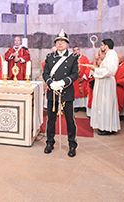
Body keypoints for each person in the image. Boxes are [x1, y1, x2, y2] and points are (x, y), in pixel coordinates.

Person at [42, 29, 79, 157]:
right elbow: (45, 73)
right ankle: (50, 142)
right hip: (52, 91)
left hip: (66, 91)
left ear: (67, 43)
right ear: (56, 43)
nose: (60, 44)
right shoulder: (50, 57)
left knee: (69, 120)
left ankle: (72, 144)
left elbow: (75, 74)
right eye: (58, 41)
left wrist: (63, 82)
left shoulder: (73, 57)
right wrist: (51, 83)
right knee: (51, 119)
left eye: (63, 41)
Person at [88, 39, 120, 135]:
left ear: (106, 46)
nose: (101, 47)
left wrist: (95, 70)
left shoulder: (111, 56)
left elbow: (109, 71)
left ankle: (107, 128)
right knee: (103, 104)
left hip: (107, 83)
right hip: (104, 82)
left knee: (106, 105)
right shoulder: (109, 56)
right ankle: (104, 126)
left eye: (102, 45)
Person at [72, 46, 90, 112]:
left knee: (84, 91)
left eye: (77, 50)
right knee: (76, 93)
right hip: (75, 80)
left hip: (83, 79)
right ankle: (76, 106)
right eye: (74, 50)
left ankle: (84, 106)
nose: (76, 51)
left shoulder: (84, 58)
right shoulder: (71, 59)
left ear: (79, 50)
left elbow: (88, 68)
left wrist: (84, 77)